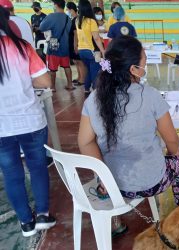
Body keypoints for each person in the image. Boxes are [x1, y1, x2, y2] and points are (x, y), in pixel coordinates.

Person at [78, 36, 179, 234]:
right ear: (132, 70)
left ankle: (117, 223)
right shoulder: (151, 95)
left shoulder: (94, 98)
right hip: (151, 182)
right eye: (143, 65)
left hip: (110, 186)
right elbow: (171, 140)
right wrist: (177, 153)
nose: (144, 70)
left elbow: (85, 142)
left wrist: (103, 175)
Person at [0, 6, 56, 237]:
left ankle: (26, 222)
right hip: (30, 121)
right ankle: (43, 214)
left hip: (1, 128)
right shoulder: (22, 47)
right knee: (37, 167)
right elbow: (44, 81)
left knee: (11, 174)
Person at [40, 0, 74, 91]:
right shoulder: (68, 18)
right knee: (67, 66)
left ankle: (53, 87)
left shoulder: (51, 16)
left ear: (56, 5)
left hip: (53, 44)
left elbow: (41, 27)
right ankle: (70, 84)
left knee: (52, 68)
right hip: (65, 45)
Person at [76, 0, 105, 95]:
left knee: (89, 69)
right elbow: (96, 38)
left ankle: (86, 88)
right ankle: (96, 91)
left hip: (81, 51)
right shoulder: (91, 21)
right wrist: (103, 50)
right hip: (91, 51)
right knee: (95, 72)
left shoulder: (77, 21)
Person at [66, 1, 86, 87]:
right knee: (75, 61)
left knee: (80, 61)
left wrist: (75, 45)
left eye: (68, 9)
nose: (67, 11)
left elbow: (76, 34)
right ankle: (79, 77)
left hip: (75, 43)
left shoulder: (76, 19)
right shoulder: (72, 19)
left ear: (71, 9)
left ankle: (83, 79)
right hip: (71, 43)